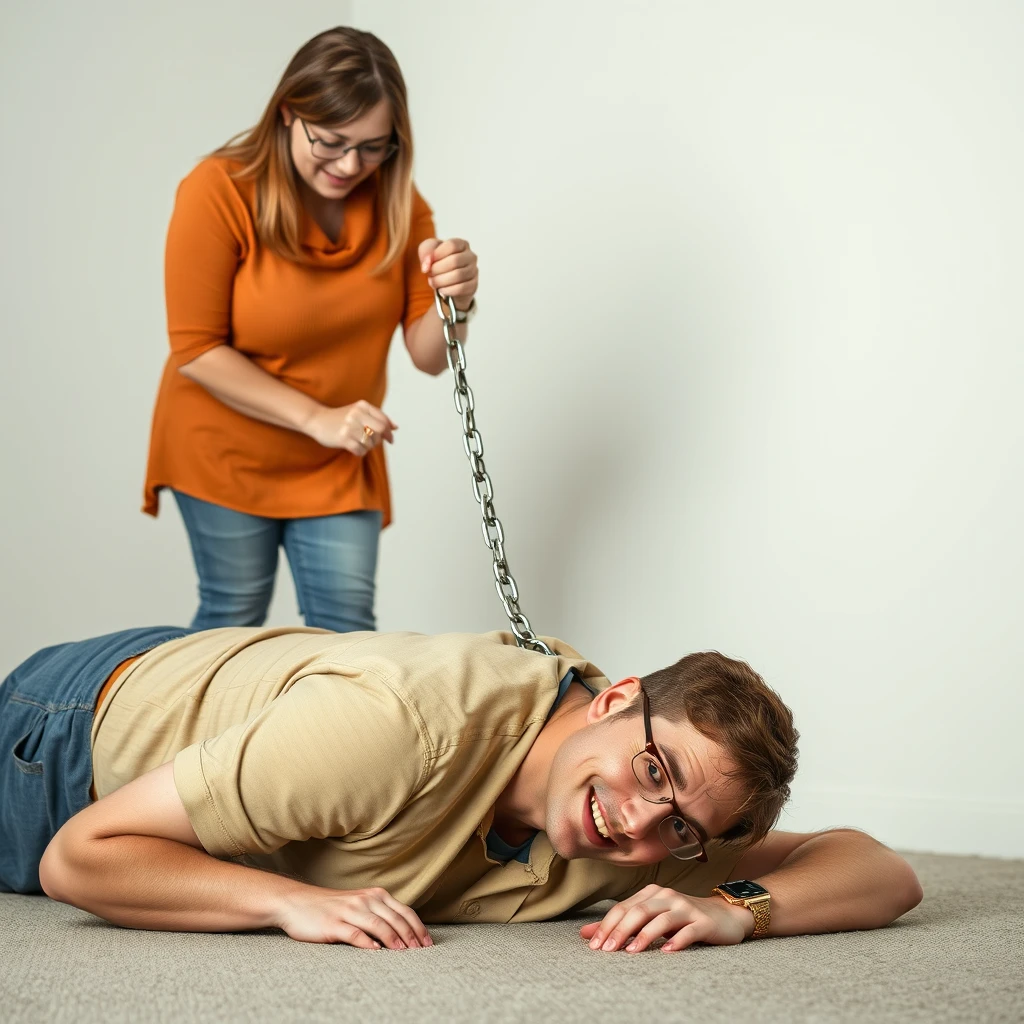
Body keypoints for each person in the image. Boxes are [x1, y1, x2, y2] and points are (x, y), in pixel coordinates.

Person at [0, 624, 922, 951]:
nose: (635, 823)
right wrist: (285, 902)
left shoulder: (650, 839)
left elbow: (881, 872)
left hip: (250, 690)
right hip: (69, 734)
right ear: (619, 699)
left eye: (679, 829)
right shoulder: (400, 730)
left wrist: (735, 909)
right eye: (655, 770)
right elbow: (80, 860)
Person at [143, 26, 479, 632]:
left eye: (374, 147)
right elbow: (194, 349)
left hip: (338, 457)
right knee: (233, 619)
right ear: (288, 114)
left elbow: (428, 355)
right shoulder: (218, 191)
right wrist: (317, 419)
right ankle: (205, 732)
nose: (351, 165)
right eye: (331, 142)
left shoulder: (400, 203)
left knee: (349, 633)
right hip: (225, 449)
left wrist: (457, 298)